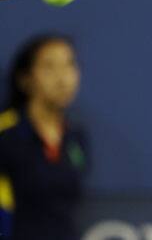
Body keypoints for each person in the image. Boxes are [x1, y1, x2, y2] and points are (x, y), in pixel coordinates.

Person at [0, 35, 89, 240]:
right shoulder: (6, 134)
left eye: (70, 65)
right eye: (49, 66)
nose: (63, 78)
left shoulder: (77, 138)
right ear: (25, 79)